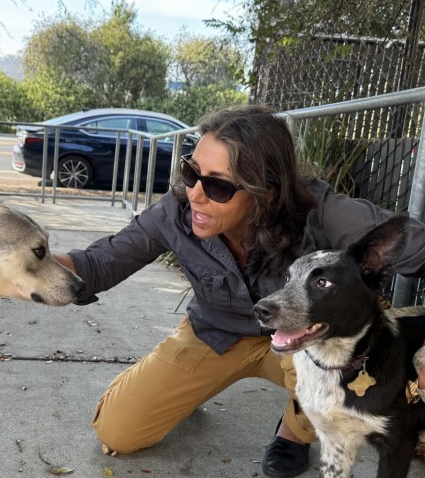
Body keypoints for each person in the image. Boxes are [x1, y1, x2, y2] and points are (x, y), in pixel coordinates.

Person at [49, 105, 425, 477]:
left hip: (306, 342)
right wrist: (26, 263)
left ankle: (293, 434)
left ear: (267, 191)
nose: (195, 193)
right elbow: (97, 265)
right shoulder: (175, 212)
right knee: (118, 431)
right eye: (191, 172)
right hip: (216, 333)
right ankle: (186, 392)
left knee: (327, 377)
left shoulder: (320, 209)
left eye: (217, 185)